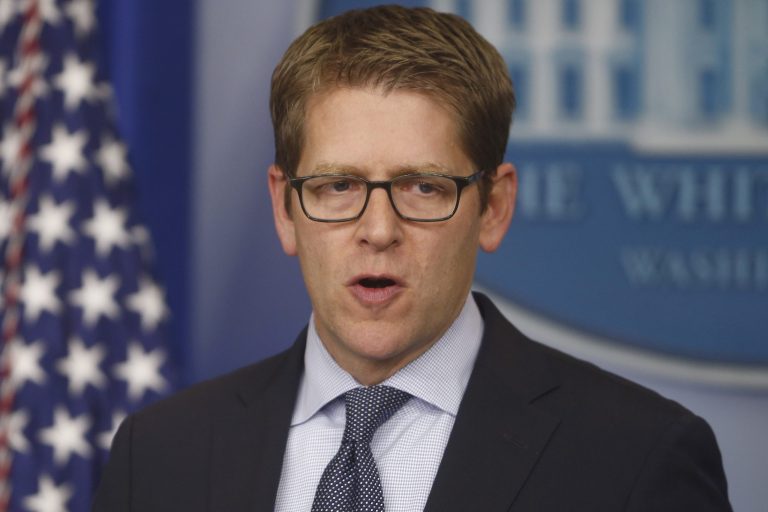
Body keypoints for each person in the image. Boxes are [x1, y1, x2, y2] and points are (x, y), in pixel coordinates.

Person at [93, 5, 732, 511]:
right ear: (285, 209)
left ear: (494, 206)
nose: (378, 230)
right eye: (337, 186)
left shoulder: (638, 457)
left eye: (423, 187)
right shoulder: (159, 454)